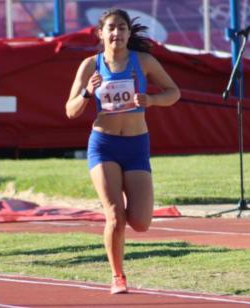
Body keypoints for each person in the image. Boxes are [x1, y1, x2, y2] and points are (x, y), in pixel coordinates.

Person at [65, 8, 180, 294]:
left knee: (140, 222)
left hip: (136, 144)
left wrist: (151, 100)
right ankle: (117, 275)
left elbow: (173, 93)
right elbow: (70, 111)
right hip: (103, 145)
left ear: (129, 33)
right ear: (101, 33)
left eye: (122, 28)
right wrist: (86, 93)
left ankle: (119, 227)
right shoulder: (90, 66)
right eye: (111, 28)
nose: (116, 33)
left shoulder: (143, 61)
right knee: (115, 216)